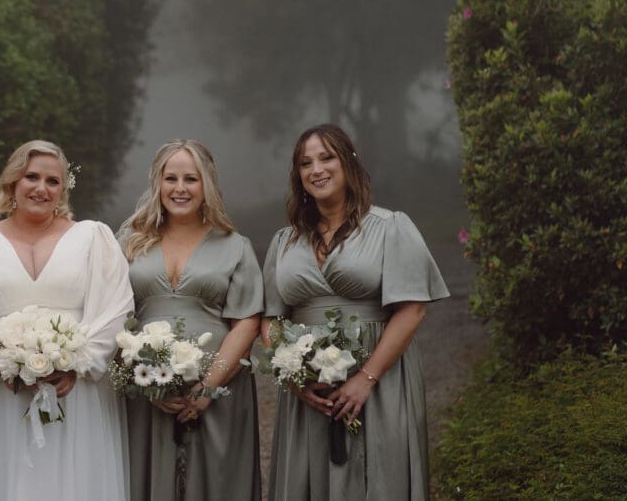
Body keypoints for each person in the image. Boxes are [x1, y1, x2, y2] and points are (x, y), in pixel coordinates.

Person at [262, 123, 449, 500]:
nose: (317, 169)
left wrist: (365, 378)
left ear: (348, 163)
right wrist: (296, 377)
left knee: (379, 476)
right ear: (298, 176)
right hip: (309, 392)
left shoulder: (390, 226)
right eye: (305, 163)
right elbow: (269, 320)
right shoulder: (285, 241)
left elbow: (411, 310)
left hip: (380, 382)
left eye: (326, 157)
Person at [0, 140, 134, 500]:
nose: (41, 188)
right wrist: (11, 365)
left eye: (53, 181)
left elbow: (115, 309)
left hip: (76, 391)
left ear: (63, 189)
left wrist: (76, 362)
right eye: (31, 177)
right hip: (0, 392)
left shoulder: (94, 237)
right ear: (13, 182)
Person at [119, 139, 263, 501]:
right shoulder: (130, 242)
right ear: (157, 182)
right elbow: (114, 317)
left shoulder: (235, 245)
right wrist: (147, 384)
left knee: (216, 482)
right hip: (143, 390)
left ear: (207, 185)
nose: (180, 189)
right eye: (171, 178)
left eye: (191, 179)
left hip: (218, 389)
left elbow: (246, 321)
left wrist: (207, 389)